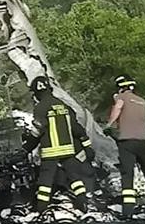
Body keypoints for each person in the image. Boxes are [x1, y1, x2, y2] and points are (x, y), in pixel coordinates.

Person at [25, 75, 94, 211]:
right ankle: (83, 204)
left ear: (37, 92)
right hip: (68, 150)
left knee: (45, 182)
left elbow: (37, 131)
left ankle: (41, 210)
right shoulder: (63, 105)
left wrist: (26, 148)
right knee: (75, 178)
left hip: (50, 151)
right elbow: (76, 128)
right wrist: (87, 146)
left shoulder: (40, 108)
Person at [105, 75, 145, 218]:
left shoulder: (121, 97)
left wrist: (108, 125)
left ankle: (128, 211)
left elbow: (118, 109)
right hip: (143, 142)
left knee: (127, 175)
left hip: (127, 142)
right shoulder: (142, 102)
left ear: (120, 87)